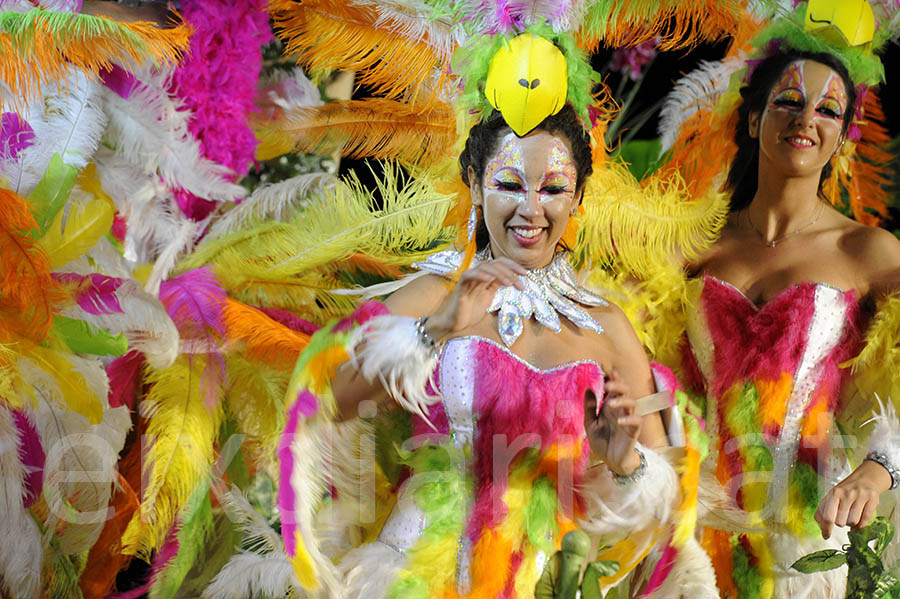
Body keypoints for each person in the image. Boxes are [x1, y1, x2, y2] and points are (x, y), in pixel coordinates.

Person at [277, 103, 716, 599]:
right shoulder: (435, 295)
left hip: (549, 583)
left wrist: (622, 462)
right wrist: (432, 331)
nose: (531, 209)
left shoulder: (608, 328)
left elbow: (668, 514)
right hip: (413, 578)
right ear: (475, 182)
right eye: (509, 185)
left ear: (579, 197)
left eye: (552, 189)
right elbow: (329, 403)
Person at [681, 47, 900, 598]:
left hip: (807, 540)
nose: (807, 119)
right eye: (789, 101)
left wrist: (879, 469)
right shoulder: (694, 243)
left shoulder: (869, 252)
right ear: (754, 119)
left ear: (843, 136)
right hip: (691, 533)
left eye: (828, 111)